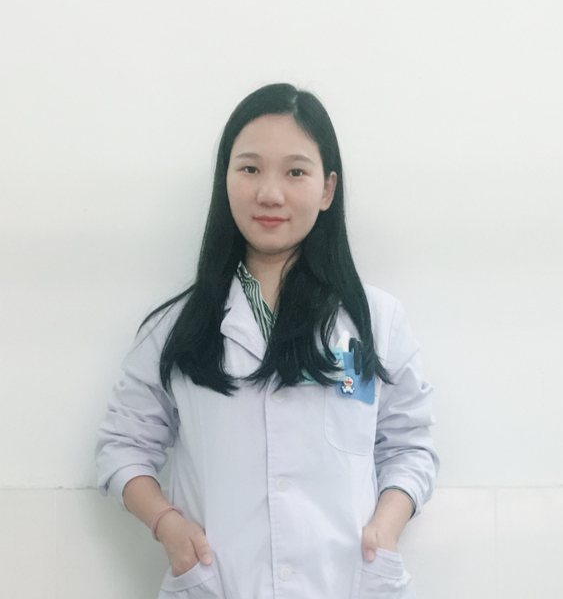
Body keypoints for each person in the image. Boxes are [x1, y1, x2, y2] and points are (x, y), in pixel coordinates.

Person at [95, 83, 439, 599]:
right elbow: (121, 447)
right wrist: (168, 526)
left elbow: (410, 446)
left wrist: (385, 528)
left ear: (327, 189)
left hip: (346, 582)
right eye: (250, 169)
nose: (270, 194)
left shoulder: (375, 320)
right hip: (222, 583)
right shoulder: (175, 329)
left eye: (295, 172)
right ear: (226, 180)